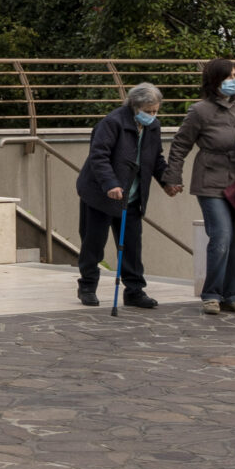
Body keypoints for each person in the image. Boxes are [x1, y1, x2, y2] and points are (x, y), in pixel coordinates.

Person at [166, 59, 235, 316]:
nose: (233, 81)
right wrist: (173, 177)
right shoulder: (200, 111)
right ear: (214, 81)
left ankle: (233, 295)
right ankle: (211, 295)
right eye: (227, 77)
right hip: (210, 182)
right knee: (221, 237)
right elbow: (180, 145)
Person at [77, 80, 172, 310]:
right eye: (148, 111)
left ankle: (135, 291)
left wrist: (167, 182)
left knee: (131, 246)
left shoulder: (152, 126)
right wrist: (110, 183)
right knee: (94, 243)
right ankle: (87, 286)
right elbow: (99, 156)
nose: (152, 115)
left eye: (156, 110)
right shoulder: (112, 123)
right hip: (101, 195)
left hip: (131, 196)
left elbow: (156, 158)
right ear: (134, 106)